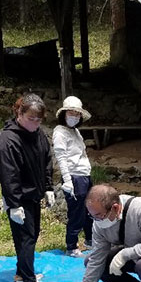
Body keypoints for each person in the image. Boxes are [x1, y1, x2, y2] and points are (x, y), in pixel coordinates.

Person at [0, 93, 57, 282]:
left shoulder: (38, 135)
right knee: (25, 238)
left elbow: (47, 161)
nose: (35, 124)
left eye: (39, 120)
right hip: (19, 198)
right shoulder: (7, 140)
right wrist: (13, 204)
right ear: (19, 113)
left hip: (34, 194)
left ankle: (22, 272)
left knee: (31, 234)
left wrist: (48, 187)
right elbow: (8, 174)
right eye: (31, 119)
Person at [52, 96, 93, 257]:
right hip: (74, 177)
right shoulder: (60, 132)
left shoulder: (75, 131)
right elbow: (61, 157)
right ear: (64, 114)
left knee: (91, 209)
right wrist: (67, 180)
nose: (74, 116)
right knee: (77, 212)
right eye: (71, 113)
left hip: (84, 174)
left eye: (77, 114)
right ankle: (71, 245)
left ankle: (90, 240)